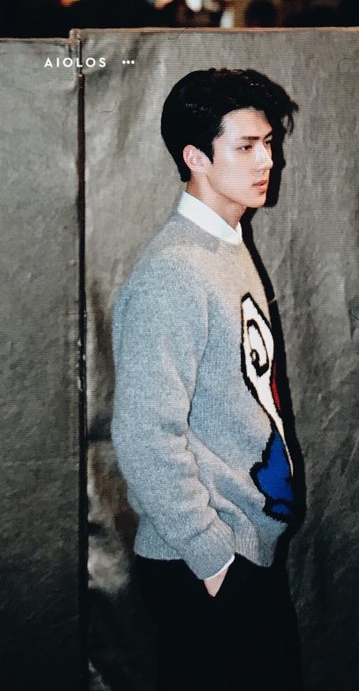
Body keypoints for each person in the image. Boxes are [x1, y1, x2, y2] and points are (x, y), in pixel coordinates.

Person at [111, 68, 303, 691]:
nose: (266, 161)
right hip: (206, 563)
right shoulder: (175, 270)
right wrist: (213, 555)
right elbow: (145, 433)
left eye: (267, 143)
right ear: (195, 157)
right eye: (245, 147)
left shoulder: (228, 244)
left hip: (244, 548)